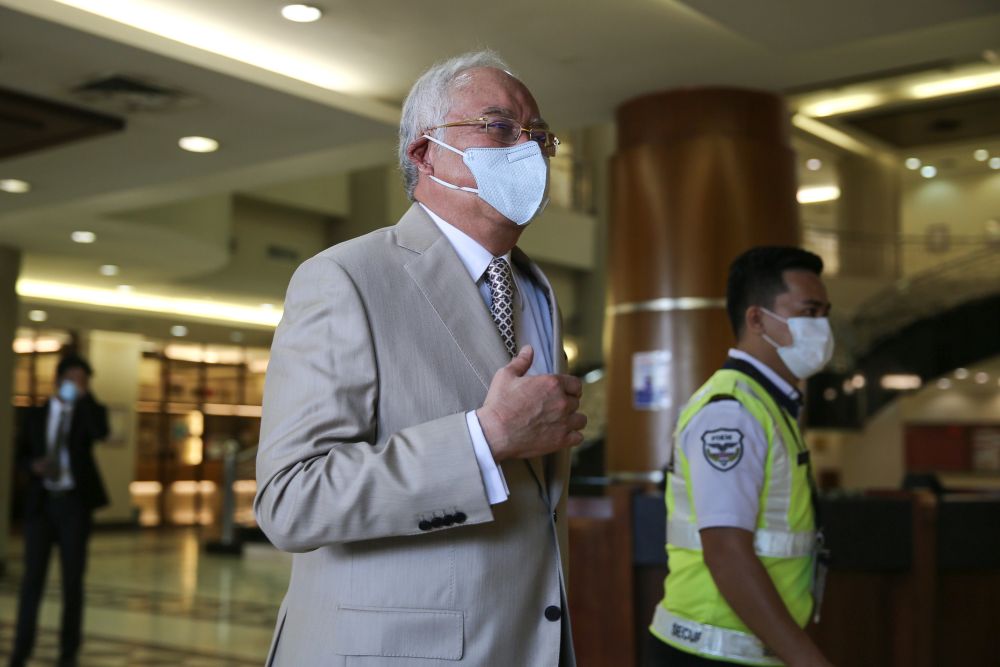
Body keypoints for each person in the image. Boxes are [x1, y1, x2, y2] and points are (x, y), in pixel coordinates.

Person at [254, 50, 586, 666]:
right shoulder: (346, 277)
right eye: (499, 127)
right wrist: (484, 439)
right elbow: (290, 501)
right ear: (425, 152)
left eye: (539, 135)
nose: (528, 150)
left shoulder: (535, 291)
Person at [647, 247, 836, 667]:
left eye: (825, 313)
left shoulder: (769, 404)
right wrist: (808, 660)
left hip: (744, 649)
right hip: (709, 651)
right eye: (809, 312)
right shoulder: (732, 412)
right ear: (757, 319)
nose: (822, 327)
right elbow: (727, 551)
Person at [10, 354, 109, 667]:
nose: (77, 384)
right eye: (73, 378)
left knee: (73, 582)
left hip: (74, 506)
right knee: (32, 580)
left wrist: (85, 399)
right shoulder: (35, 415)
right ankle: (20, 650)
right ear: (58, 379)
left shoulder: (89, 412)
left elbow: (100, 433)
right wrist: (33, 466)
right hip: (41, 505)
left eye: (83, 380)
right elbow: (20, 455)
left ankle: (68, 653)